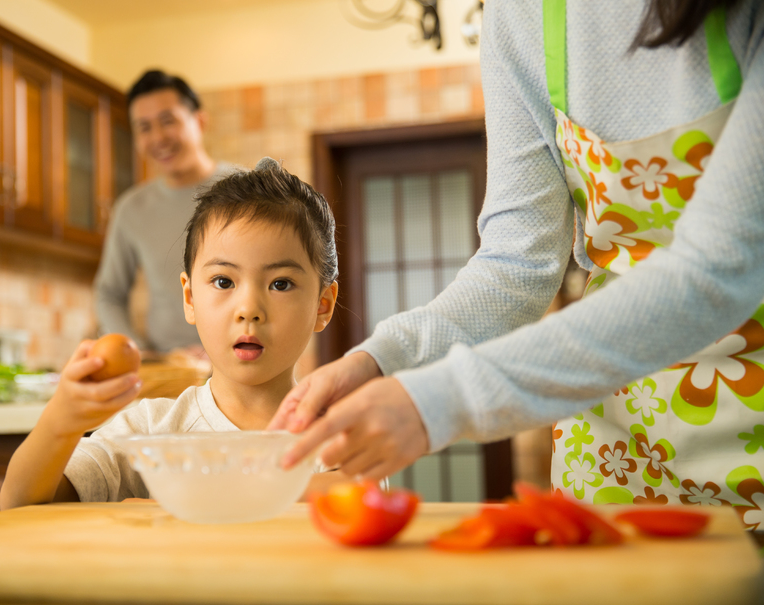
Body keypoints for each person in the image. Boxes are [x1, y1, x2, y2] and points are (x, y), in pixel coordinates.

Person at [271, 0, 764, 529]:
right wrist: (381, 360)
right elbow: (515, 264)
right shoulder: (520, 14)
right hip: (616, 443)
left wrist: (443, 399)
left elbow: (719, 267)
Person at [0, 158, 344, 509]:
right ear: (190, 297)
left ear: (322, 305)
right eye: (223, 281)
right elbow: (20, 503)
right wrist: (62, 422)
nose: (248, 309)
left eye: (280, 283)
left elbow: (355, 489)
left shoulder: (340, 430)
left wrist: (181, 500)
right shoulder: (149, 430)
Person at [94, 69, 235, 359]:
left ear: (200, 120)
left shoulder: (250, 189)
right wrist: (137, 351)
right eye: (144, 127)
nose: (157, 137)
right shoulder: (131, 209)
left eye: (168, 121)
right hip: (169, 375)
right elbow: (108, 293)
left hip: (245, 362)